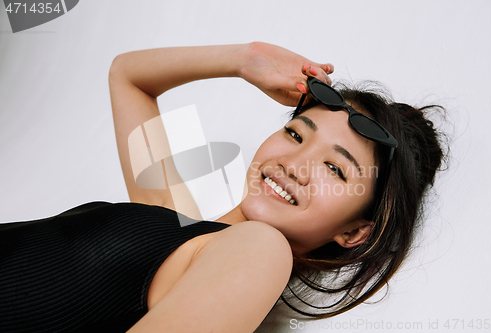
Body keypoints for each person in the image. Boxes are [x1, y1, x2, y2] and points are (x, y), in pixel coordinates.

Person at [0, 42, 446, 332]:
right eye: (296, 134)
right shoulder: (178, 224)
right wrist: (245, 59)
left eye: (335, 169)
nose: (293, 164)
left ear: (354, 233)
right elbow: (128, 75)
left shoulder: (260, 251)